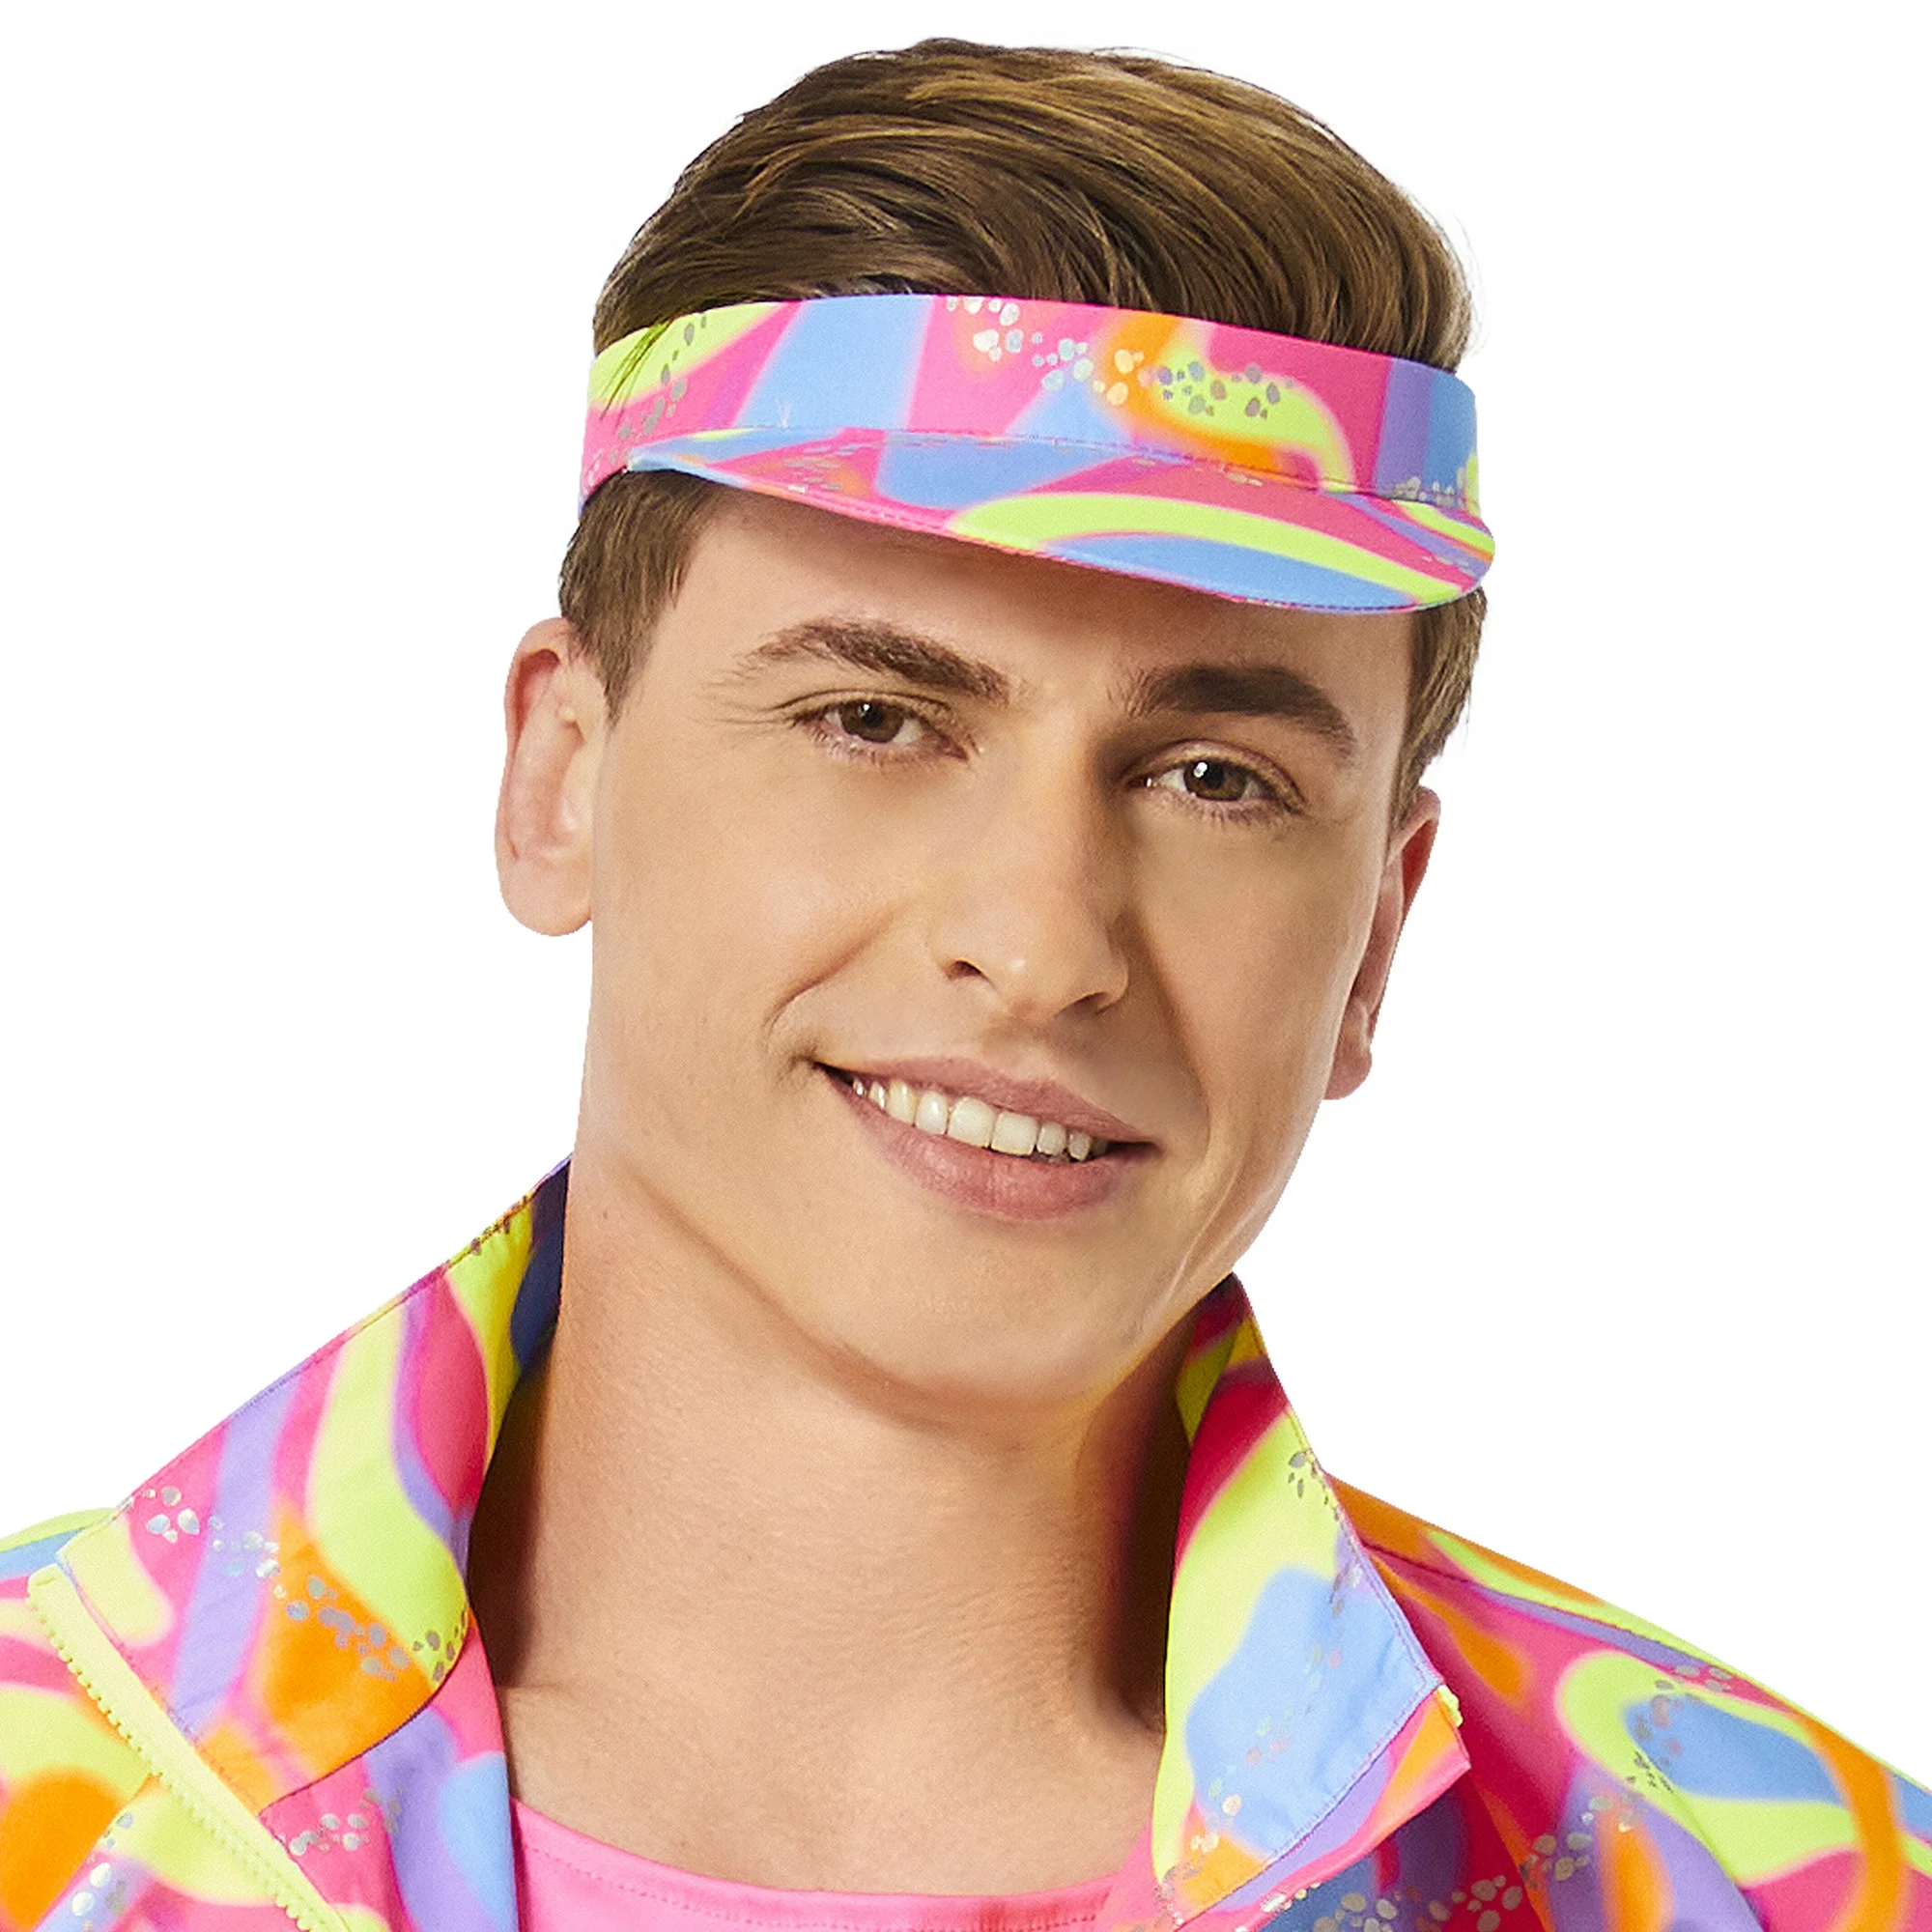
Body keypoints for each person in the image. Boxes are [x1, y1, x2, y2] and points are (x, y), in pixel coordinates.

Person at [0, 36, 1923, 1932]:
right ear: (561, 774)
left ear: (1376, 935)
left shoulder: (1774, 1888)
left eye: (1215, 779)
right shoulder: (45, 1788)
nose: (1043, 943)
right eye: (876, 717)